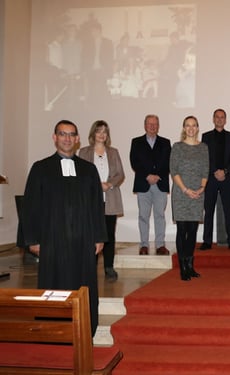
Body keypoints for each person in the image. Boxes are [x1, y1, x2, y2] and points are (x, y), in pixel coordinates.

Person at [23, 120, 107, 336]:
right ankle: (52, 330)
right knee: (53, 286)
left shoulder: (88, 170)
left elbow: (97, 205)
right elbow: (31, 205)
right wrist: (32, 239)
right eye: (62, 134)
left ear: (77, 139)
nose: (67, 138)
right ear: (55, 137)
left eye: (71, 135)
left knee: (84, 286)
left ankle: (85, 330)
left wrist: (99, 236)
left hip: (83, 240)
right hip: (52, 241)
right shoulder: (41, 168)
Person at [78, 120, 125, 282]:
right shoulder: (83, 152)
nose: (102, 134)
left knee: (109, 235)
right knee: (91, 236)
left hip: (110, 199)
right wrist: (95, 185)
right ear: (93, 133)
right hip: (91, 201)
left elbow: (120, 174)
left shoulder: (113, 152)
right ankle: (90, 267)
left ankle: (109, 267)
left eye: (105, 131)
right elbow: (80, 176)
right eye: (99, 131)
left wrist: (109, 184)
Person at [170, 116, 209, 281]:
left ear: (198, 128)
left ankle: (190, 265)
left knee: (193, 230)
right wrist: (186, 190)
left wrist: (201, 188)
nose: (191, 128)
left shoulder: (203, 147)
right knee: (182, 230)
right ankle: (182, 267)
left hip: (198, 194)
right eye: (188, 125)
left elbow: (206, 170)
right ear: (184, 128)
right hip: (181, 193)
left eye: (194, 125)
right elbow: (174, 171)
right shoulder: (177, 147)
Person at [130, 114, 172, 255]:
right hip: (143, 184)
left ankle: (160, 245)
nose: (152, 126)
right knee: (143, 216)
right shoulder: (136, 142)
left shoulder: (166, 143)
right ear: (145, 125)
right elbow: (134, 162)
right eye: (149, 124)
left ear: (158, 126)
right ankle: (144, 245)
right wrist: (147, 175)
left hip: (160, 184)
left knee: (159, 215)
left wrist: (157, 176)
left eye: (155, 124)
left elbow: (169, 163)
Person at [200, 109, 230, 250]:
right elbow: (204, 158)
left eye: (222, 117)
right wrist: (214, 172)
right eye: (217, 117)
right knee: (209, 210)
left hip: (227, 178)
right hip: (210, 179)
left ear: (225, 120)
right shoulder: (205, 136)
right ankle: (207, 241)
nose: (219, 119)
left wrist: (225, 171)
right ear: (213, 119)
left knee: (229, 211)